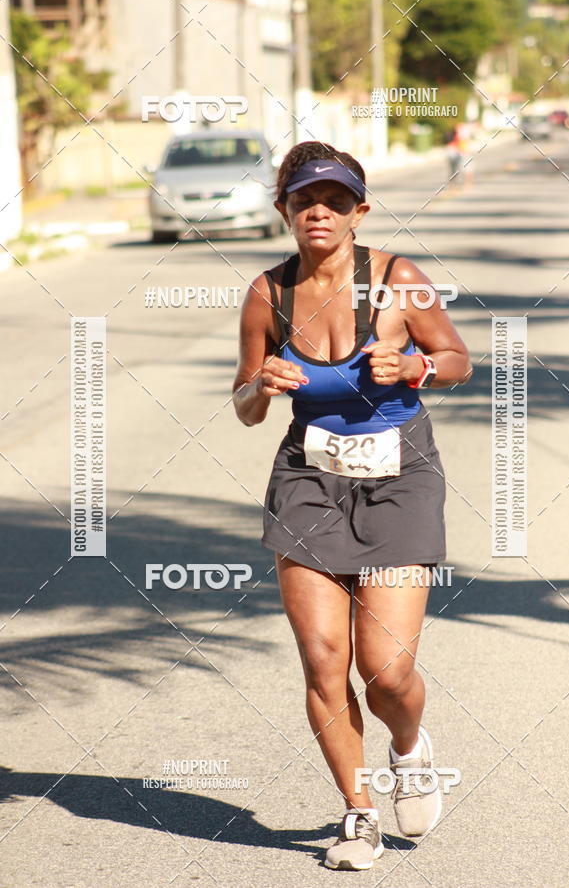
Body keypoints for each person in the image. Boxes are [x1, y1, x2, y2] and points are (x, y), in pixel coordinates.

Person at [232, 141, 472, 871]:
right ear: (285, 211)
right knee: (323, 659)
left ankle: (408, 748)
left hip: (402, 473)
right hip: (308, 478)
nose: (320, 212)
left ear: (359, 212)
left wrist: (417, 366)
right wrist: (261, 387)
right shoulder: (266, 294)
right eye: (306, 200)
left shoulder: (402, 281)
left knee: (386, 668)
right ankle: (358, 814)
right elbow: (243, 405)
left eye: (336, 201)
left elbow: (460, 359)